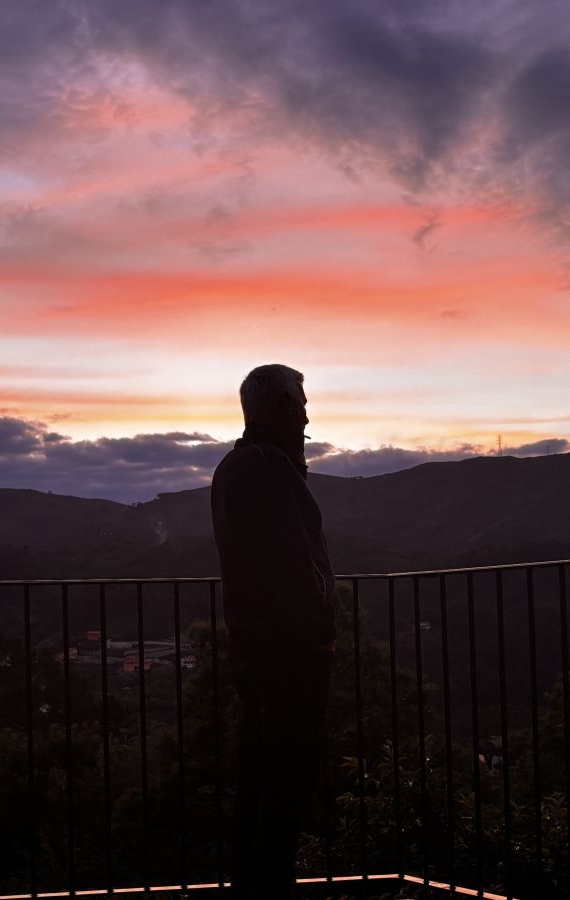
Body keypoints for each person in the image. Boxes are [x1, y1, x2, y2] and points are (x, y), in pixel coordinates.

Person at [210, 363, 336, 899]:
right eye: (301, 402)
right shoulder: (271, 469)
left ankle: (251, 888)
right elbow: (293, 567)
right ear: (284, 406)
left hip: (253, 651)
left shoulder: (231, 468)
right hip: (290, 657)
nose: (307, 414)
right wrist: (322, 622)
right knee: (286, 787)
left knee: (259, 783)